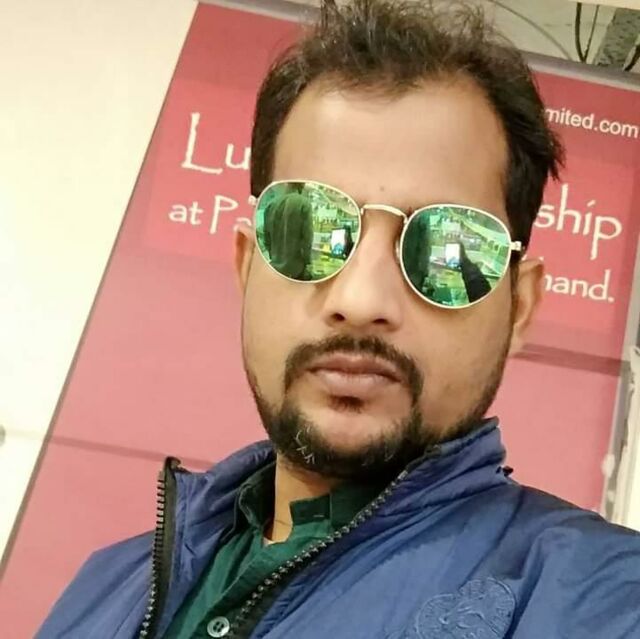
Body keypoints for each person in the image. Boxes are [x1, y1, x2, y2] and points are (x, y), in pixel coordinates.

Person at [38, 2, 640, 638]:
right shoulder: (105, 584)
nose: (359, 298)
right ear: (247, 266)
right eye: (308, 228)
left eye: (448, 247)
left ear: (518, 307)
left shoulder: (602, 599)